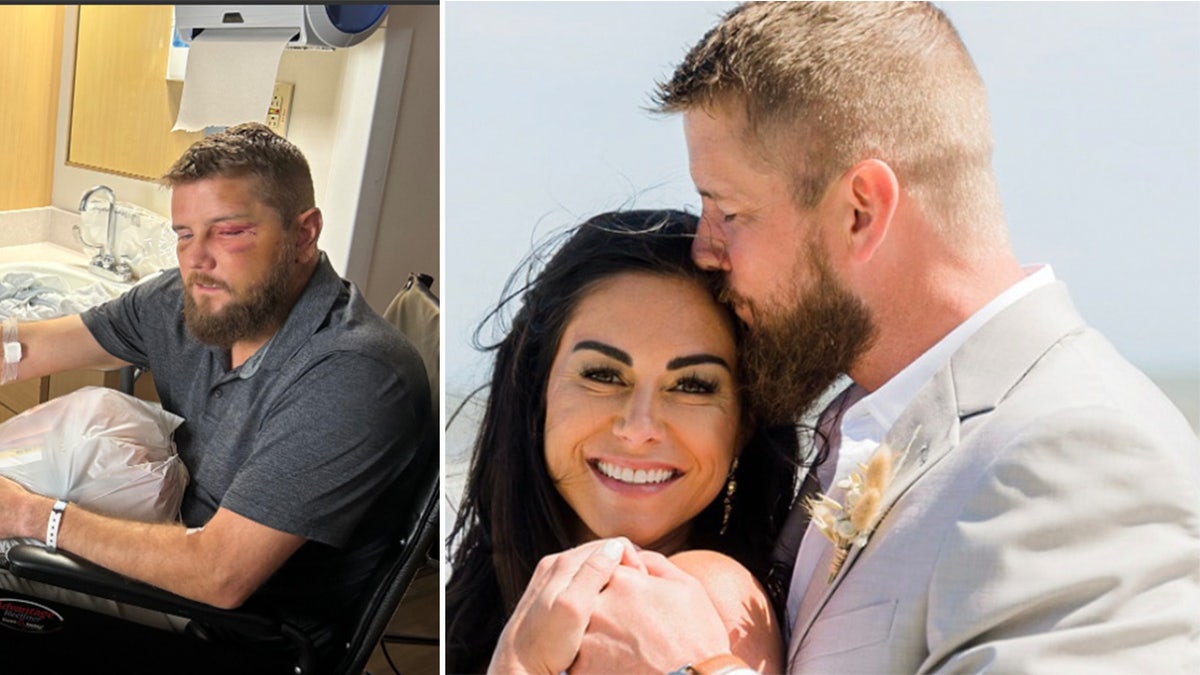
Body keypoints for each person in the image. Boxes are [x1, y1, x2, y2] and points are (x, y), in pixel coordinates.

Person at [493, 3, 1200, 673]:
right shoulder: (877, 430)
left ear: (860, 210)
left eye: (729, 211)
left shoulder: (1076, 456)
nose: (705, 250)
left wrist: (688, 666)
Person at [0, 123, 435, 666]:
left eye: (228, 232)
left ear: (304, 235)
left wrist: (29, 516)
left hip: (232, 632)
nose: (195, 259)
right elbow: (29, 348)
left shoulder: (352, 375)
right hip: (174, 544)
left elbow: (219, 575)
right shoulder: (198, 302)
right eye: (184, 234)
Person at [445, 210, 803, 673]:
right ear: (538, 391)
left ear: (744, 423)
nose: (639, 427)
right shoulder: (479, 595)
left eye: (693, 385)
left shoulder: (705, 596)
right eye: (603, 375)